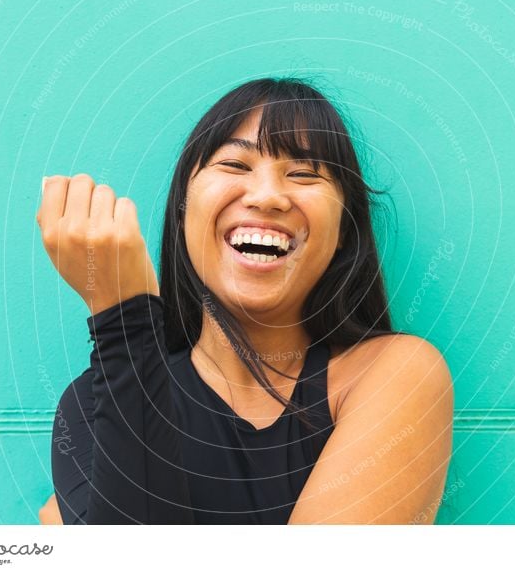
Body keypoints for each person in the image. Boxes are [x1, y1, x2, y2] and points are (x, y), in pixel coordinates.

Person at [36, 76, 453, 524]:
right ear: (184, 211)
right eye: (234, 165)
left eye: (304, 173)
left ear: (343, 231)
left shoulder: (394, 373)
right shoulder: (91, 404)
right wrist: (124, 318)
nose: (268, 196)